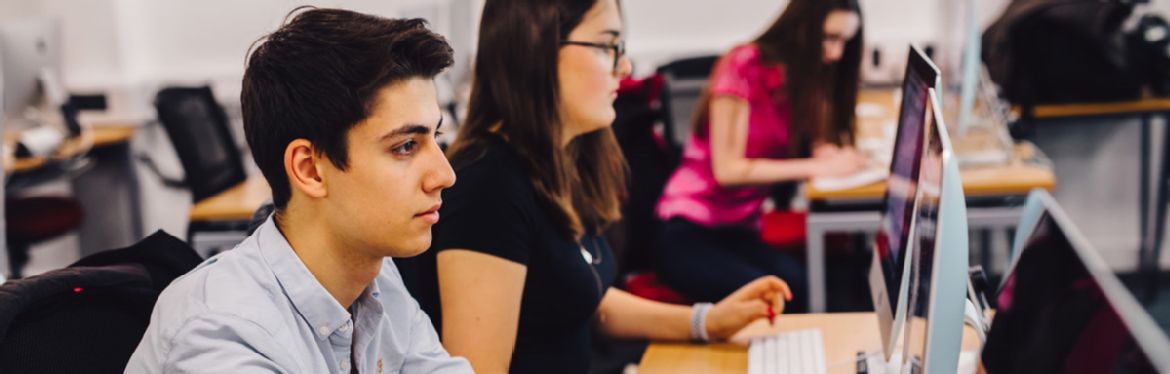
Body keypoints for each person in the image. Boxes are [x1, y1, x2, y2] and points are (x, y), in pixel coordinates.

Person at [395, 0, 791, 373]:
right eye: (607, 46)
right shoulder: (488, 187)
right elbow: (479, 369)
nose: (626, 67)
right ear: (538, 49)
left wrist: (707, 320)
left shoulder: (560, 160)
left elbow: (581, 296)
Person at [126, 8, 471, 373]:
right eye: (405, 146)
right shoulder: (220, 337)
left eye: (436, 137)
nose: (444, 175)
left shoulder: (377, 278)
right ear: (309, 169)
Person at [653, 0, 867, 312]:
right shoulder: (744, 64)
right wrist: (819, 165)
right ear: (800, 28)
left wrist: (827, 150)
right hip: (687, 230)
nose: (835, 53)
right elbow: (728, 170)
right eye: (829, 38)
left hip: (739, 229)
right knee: (778, 297)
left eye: (845, 42)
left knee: (801, 284)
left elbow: (820, 140)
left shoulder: (805, 76)